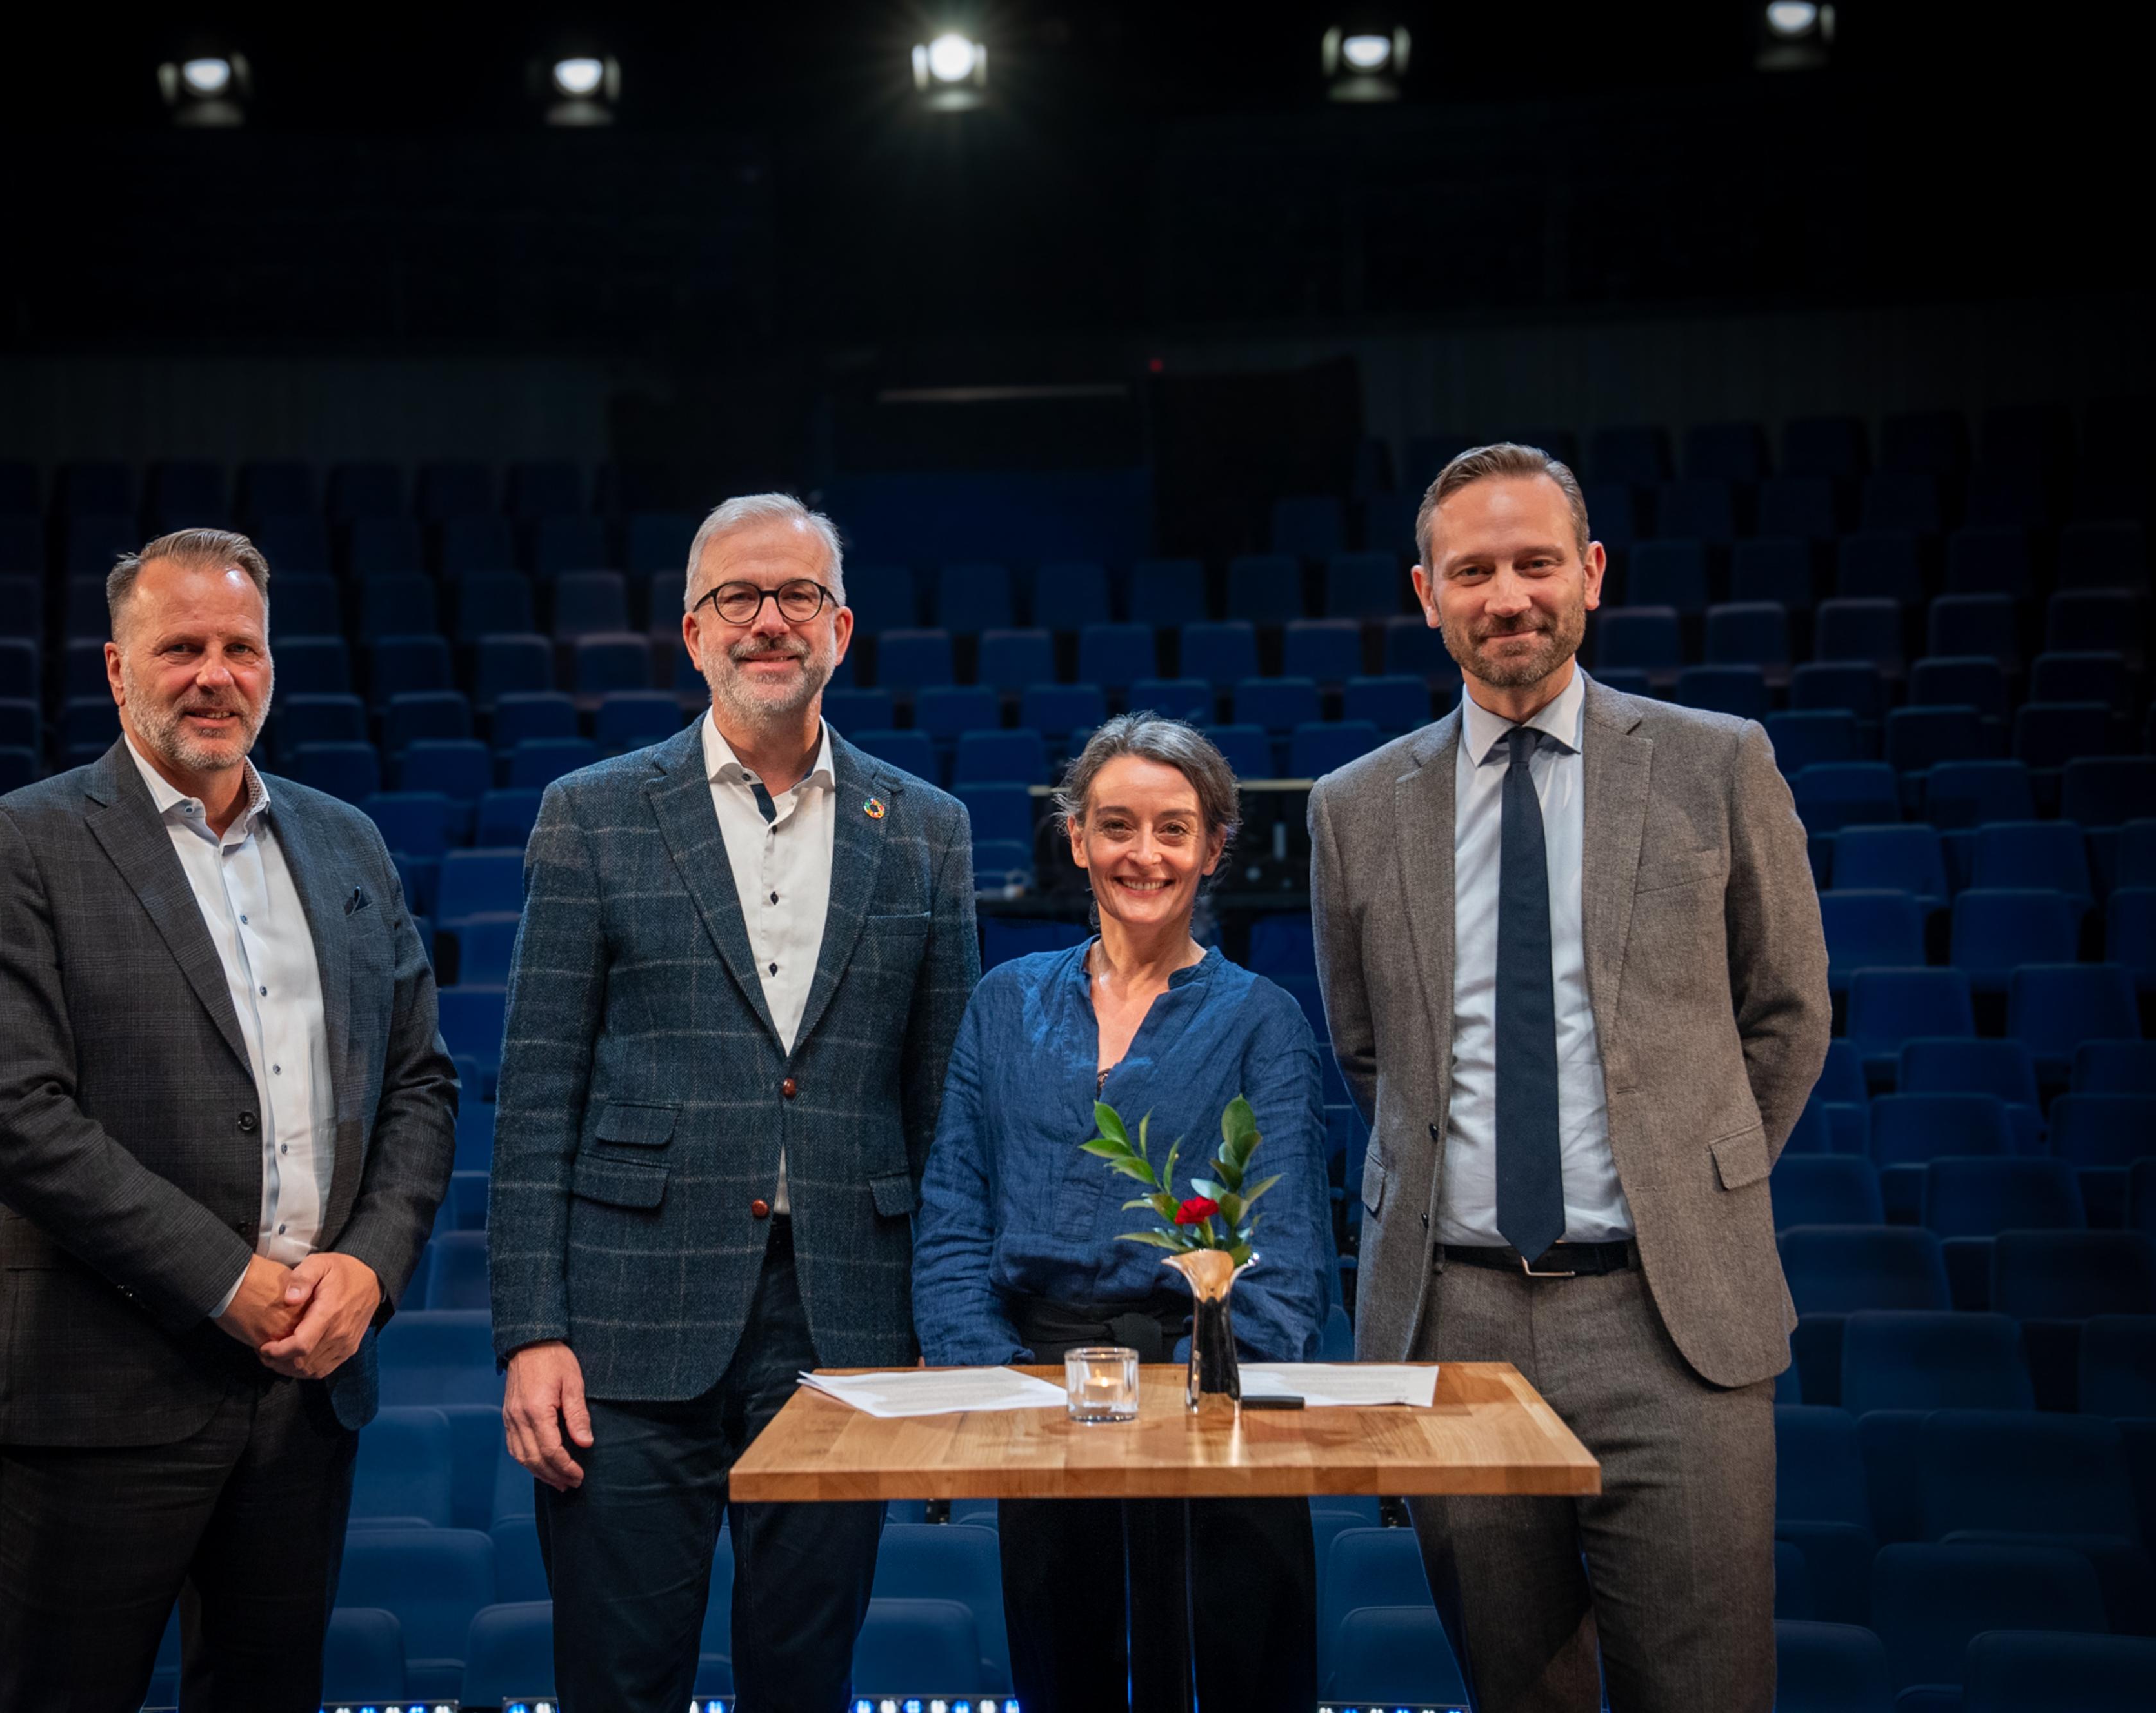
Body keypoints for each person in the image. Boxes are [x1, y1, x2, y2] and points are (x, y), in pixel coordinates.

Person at [1307, 443, 1830, 1712]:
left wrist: (1687, 1181)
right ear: (1425, 591)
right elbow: (1372, 1051)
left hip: (1671, 1319)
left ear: (1591, 574)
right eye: (1473, 569)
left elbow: (1788, 1010)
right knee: (1516, 1695)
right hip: (1461, 1323)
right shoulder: (1354, 806)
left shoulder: (1720, 763)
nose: (1508, 596)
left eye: (1536, 562)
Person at [0, 527, 458, 1712]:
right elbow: (5, 1113)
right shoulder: (20, 842)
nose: (215, 674)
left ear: (271, 666)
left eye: (241, 647)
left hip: (305, 1394)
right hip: (98, 1390)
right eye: (181, 648)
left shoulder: (345, 843)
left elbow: (421, 1084)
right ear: (117, 670)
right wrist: (227, 1278)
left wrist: (369, 1271)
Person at [488, 492, 981, 1712]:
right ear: (695, 633)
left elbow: (948, 1109)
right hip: (622, 1321)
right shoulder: (590, 814)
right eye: (739, 600)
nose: (771, 622)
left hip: (847, 1324)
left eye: (798, 596)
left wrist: (945, 1323)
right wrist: (530, 1330)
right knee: (616, 1680)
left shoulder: (929, 830)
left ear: (843, 629)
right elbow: (537, 1088)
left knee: (805, 1682)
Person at [915, 713, 1332, 1713]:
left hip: (1211, 1409)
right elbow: (954, 1214)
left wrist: (1198, 1398)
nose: (1144, 855)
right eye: (1117, 826)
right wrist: (998, 1385)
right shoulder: (1004, 1001)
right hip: (1043, 1404)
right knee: (1068, 1685)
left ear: (1214, 848)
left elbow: (1289, 1259)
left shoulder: (1263, 1020)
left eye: (1174, 829)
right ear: (1077, 839)